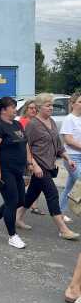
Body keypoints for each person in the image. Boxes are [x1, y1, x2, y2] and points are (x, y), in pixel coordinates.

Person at [16, 93, 79, 240]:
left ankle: (16, 217)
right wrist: (34, 165)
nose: (51, 108)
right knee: (52, 194)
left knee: (31, 194)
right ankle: (63, 229)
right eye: (48, 105)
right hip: (39, 166)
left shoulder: (51, 121)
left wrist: (68, 158)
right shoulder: (32, 124)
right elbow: (26, 147)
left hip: (50, 165)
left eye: (52, 105)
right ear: (39, 107)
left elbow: (58, 145)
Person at [0, 97, 34, 249]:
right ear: (3, 110)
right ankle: (12, 236)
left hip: (18, 170)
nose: (15, 109)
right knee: (12, 201)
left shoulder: (17, 124)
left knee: (20, 201)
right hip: (4, 170)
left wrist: (29, 162)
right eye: (12, 107)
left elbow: (24, 144)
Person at [18, 99, 43, 215]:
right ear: (26, 109)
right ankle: (18, 204)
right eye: (31, 108)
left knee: (37, 181)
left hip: (38, 155)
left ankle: (34, 205)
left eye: (35, 108)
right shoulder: (22, 121)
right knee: (25, 182)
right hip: (26, 156)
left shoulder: (38, 121)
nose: (34, 110)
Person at [59, 92, 81, 223]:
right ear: (73, 104)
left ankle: (60, 212)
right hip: (72, 158)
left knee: (70, 187)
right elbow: (68, 140)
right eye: (80, 102)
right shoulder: (69, 119)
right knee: (79, 184)